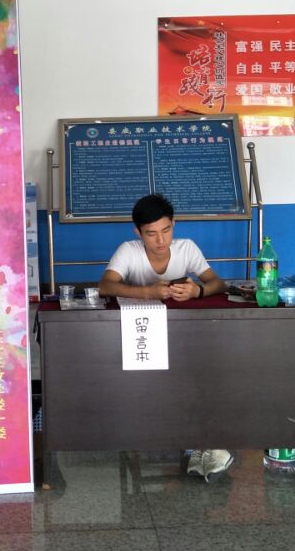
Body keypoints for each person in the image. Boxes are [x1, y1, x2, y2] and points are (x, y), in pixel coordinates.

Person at [98, 194, 229, 481]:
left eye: (166, 230)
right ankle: (157, 437)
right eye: (151, 233)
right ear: (138, 232)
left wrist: (198, 291)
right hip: (140, 334)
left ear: (174, 225)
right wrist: (148, 292)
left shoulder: (186, 248)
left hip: (182, 334)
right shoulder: (129, 251)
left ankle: (202, 442)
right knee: (147, 387)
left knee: (197, 377)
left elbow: (218, 283)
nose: (160, 240)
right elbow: (105, 286)